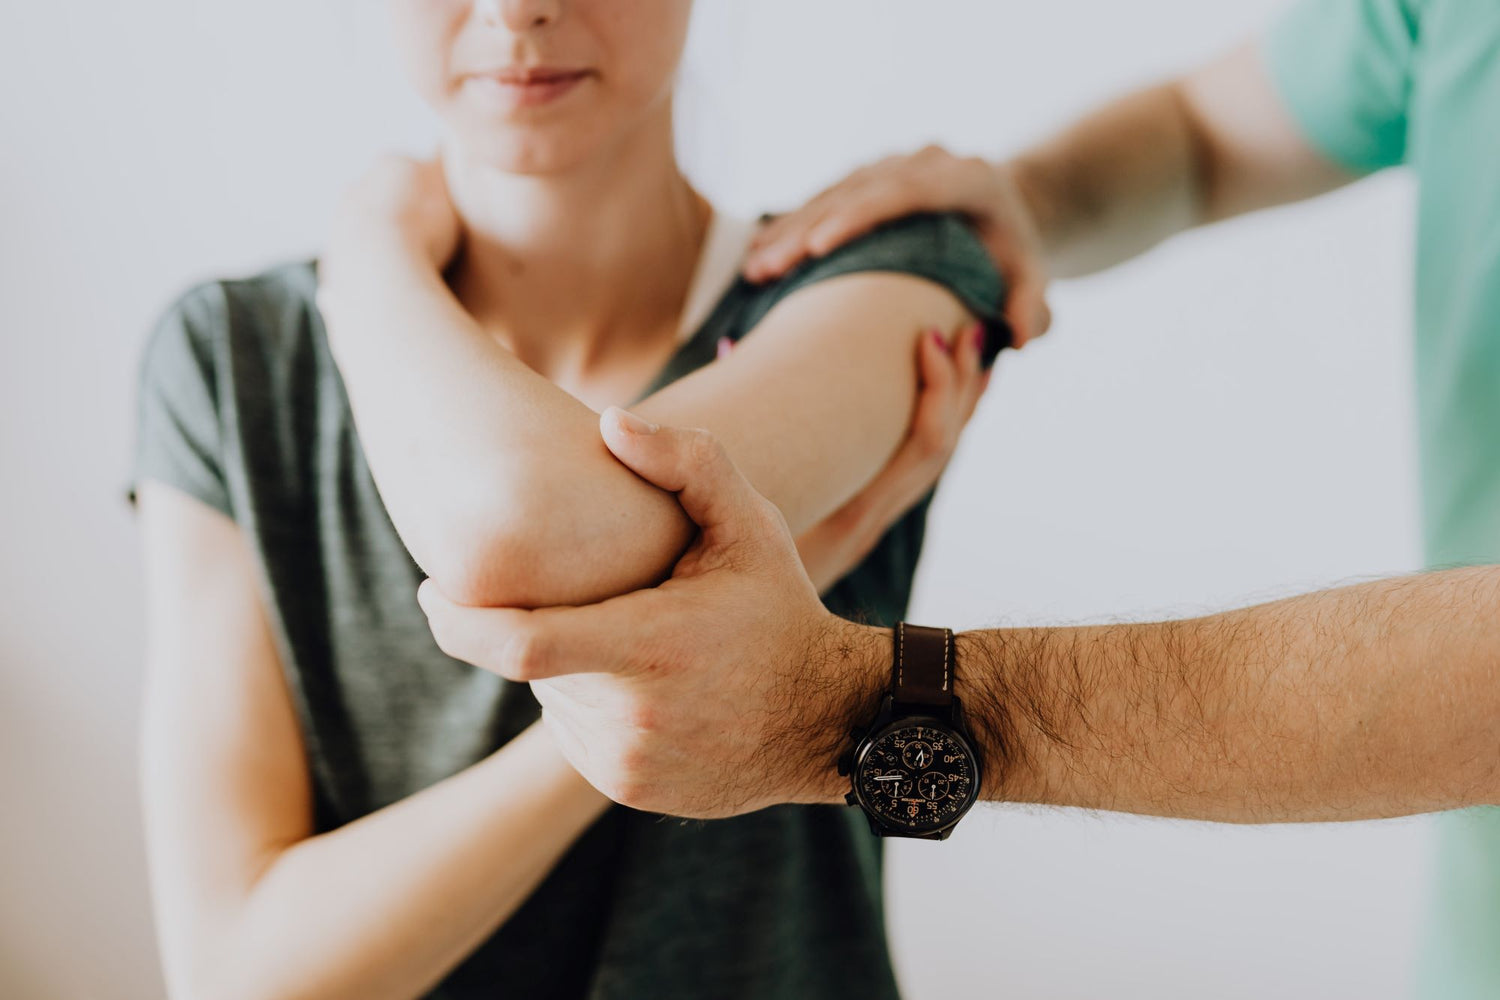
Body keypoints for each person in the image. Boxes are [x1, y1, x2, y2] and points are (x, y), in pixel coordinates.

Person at [411, 0, 1500, 994]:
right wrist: (1025, 200)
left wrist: (864, 705)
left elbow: (543, 530)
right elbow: (1207, 136)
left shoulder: (852, 294)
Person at [125, 1, 1007, 997]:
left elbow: (525, 528)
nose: (518, 11)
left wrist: (369, 254)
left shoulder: (882, 273)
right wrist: (653, 697)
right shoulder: (231, 360)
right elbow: (241, 973)